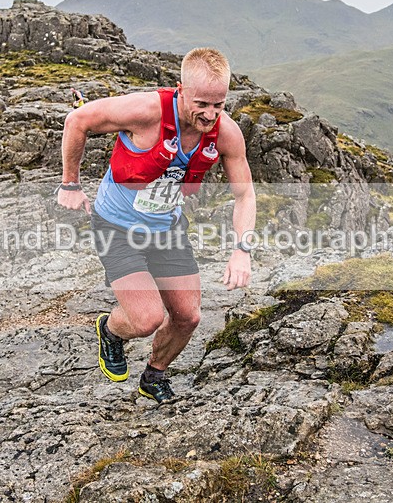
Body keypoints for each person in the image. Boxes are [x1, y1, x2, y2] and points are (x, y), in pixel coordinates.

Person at [57, 47, 256, 403]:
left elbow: (245, 195)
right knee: (146, 318)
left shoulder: (227, 134)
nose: (210, 115)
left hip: (166, 228)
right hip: (117, 227)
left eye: (219, 105)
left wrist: (242, 250)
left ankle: (154, 375)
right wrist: (70, 184)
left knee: (188, 317)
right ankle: (111, 330)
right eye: (202, 104)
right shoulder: (146, 111)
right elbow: (78, 121)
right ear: (181, 89)